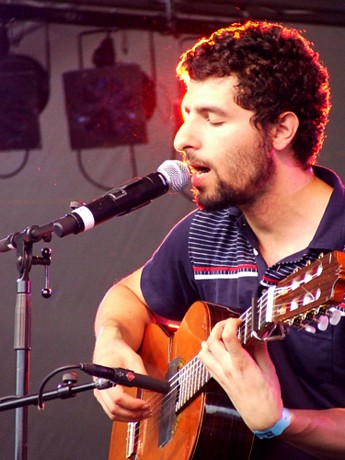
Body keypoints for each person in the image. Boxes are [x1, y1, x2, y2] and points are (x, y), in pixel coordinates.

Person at [93, 20, 345, 459]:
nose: (182, 139)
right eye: (187, 115)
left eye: (212, 119)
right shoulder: (207, 230)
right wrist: (112, 342)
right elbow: (128, 295)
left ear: (281, 131)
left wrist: (281, 421)